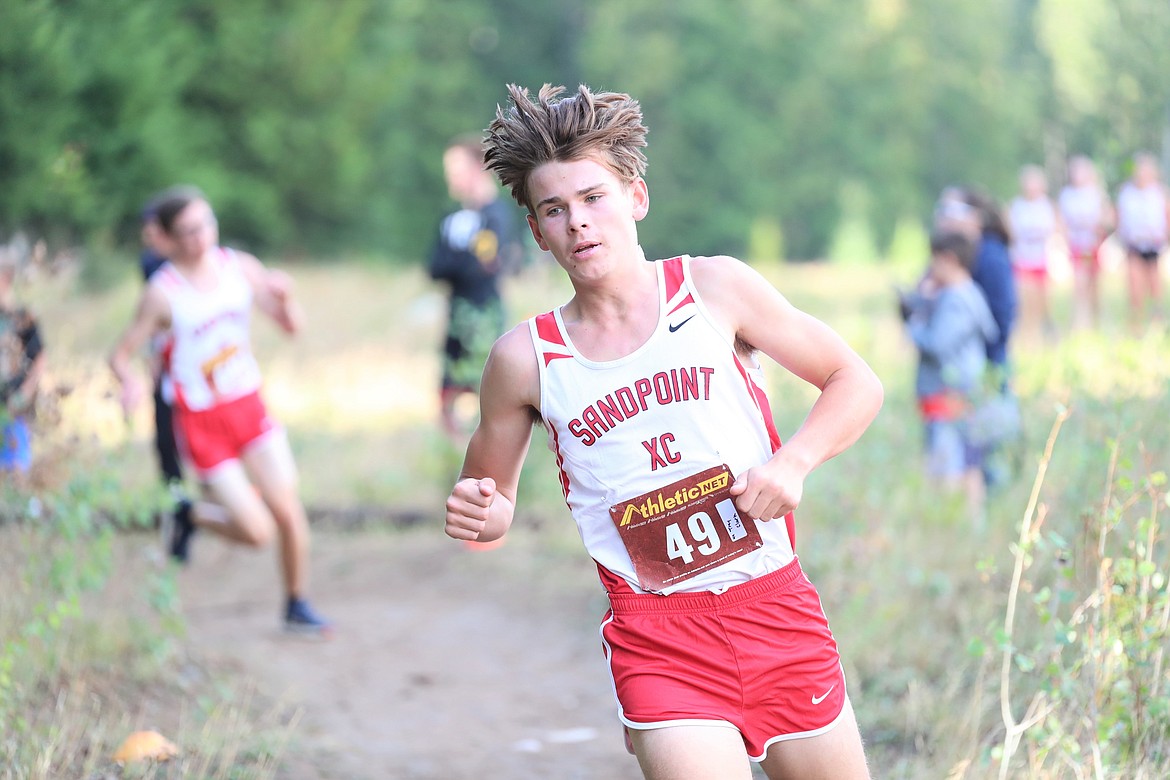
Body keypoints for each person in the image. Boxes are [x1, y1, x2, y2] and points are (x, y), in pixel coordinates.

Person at [444, 84, 881, 780]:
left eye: (593, 198)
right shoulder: (524, 360)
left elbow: (855, 381)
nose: (578, 224)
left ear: (635, 198)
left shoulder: (715, 290)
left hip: (774, 604)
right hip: (658, 637)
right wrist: (485, 511)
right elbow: (487, 509)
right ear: (535, 231)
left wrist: (793, 462)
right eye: (554, 210)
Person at [109, 187, 330, 635]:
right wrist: (130, 382)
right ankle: (191, 513)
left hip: (248, 406)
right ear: (168, 239)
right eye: (188, 231)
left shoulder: (240, 267)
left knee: (287, 510)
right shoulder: (162, 293)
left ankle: (296, 605)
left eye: (206, 224)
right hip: (201, 421)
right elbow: (120, 353)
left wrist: (285, 299)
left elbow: (291, 328)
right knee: (257, 532)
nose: (201, 237)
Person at [428, 134, 523, 440]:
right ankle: (452, 455)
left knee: (485, 393)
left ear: (478, 168)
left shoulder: (495, 216)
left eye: (456, 168)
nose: (450, 176)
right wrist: (463, 259)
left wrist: (459, 261)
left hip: (485, 315)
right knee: (446, 390)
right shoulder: (452, 219)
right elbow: (434, 267)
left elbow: (482, 269)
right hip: (456, 313)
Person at [900, 231, 999, 521]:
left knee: (947, 468)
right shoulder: (972, 293)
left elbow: (937, 344)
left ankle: (951, 525)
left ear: (948, 259)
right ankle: (971, 525)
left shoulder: (956, 299)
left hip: (948, 394)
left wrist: (913, 323)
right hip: (968, 393)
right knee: (971, 464)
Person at [138, 197, 188, 520]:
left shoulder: (198, 263)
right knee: (165, 444)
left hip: (197, 368)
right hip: (166, 364)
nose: (150, 235)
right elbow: (151, 320)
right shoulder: (151, 265)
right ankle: (180, 510)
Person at [0, 255, 44, 482]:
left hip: (14, 406)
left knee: (16, 468)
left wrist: (25, 394)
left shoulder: (21, 317)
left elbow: (39, 358)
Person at [1058, 156, 1113, 331]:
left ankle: (1097, 320)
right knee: (1080, 282)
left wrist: (1097, 226)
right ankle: (1079, 322)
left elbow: (1106, 218)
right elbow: (1062, 221)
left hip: (1093, 245)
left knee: (1095, 283)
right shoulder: (1067, 195)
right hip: (1077, 245)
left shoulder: (1096, 193)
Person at [1115, 152, 1169, 329]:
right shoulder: (1127, 193)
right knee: (1135, 287)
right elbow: (1120, 218)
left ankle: (1156, 325)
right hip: (1134, 245)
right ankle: (1135, 325)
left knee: (1155, 286)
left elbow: (1166, 217)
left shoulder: (1159, 192)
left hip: (1154, 246)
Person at [1007, 165, 1058, 345]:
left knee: (1043, 301)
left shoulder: (1047, 206)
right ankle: (1026, 335)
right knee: (1023, 300)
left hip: (1042, 259)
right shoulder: (1017, 206)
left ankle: (1044, 331)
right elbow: (1011, 233)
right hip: (1022, 260)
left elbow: (1053, 231)